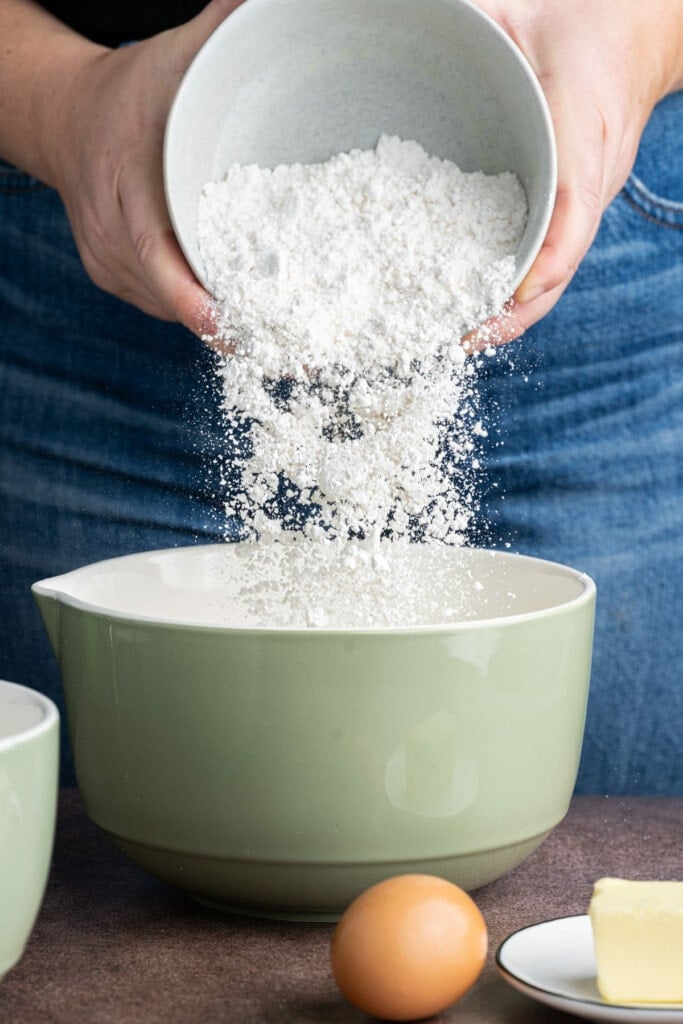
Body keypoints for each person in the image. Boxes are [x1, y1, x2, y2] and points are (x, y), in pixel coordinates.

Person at [1, 0, 681, 791]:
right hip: (100, 242)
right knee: (117, 895)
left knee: (601, 877)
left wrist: (644, 39)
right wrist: (57, 101)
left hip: (605, 287)